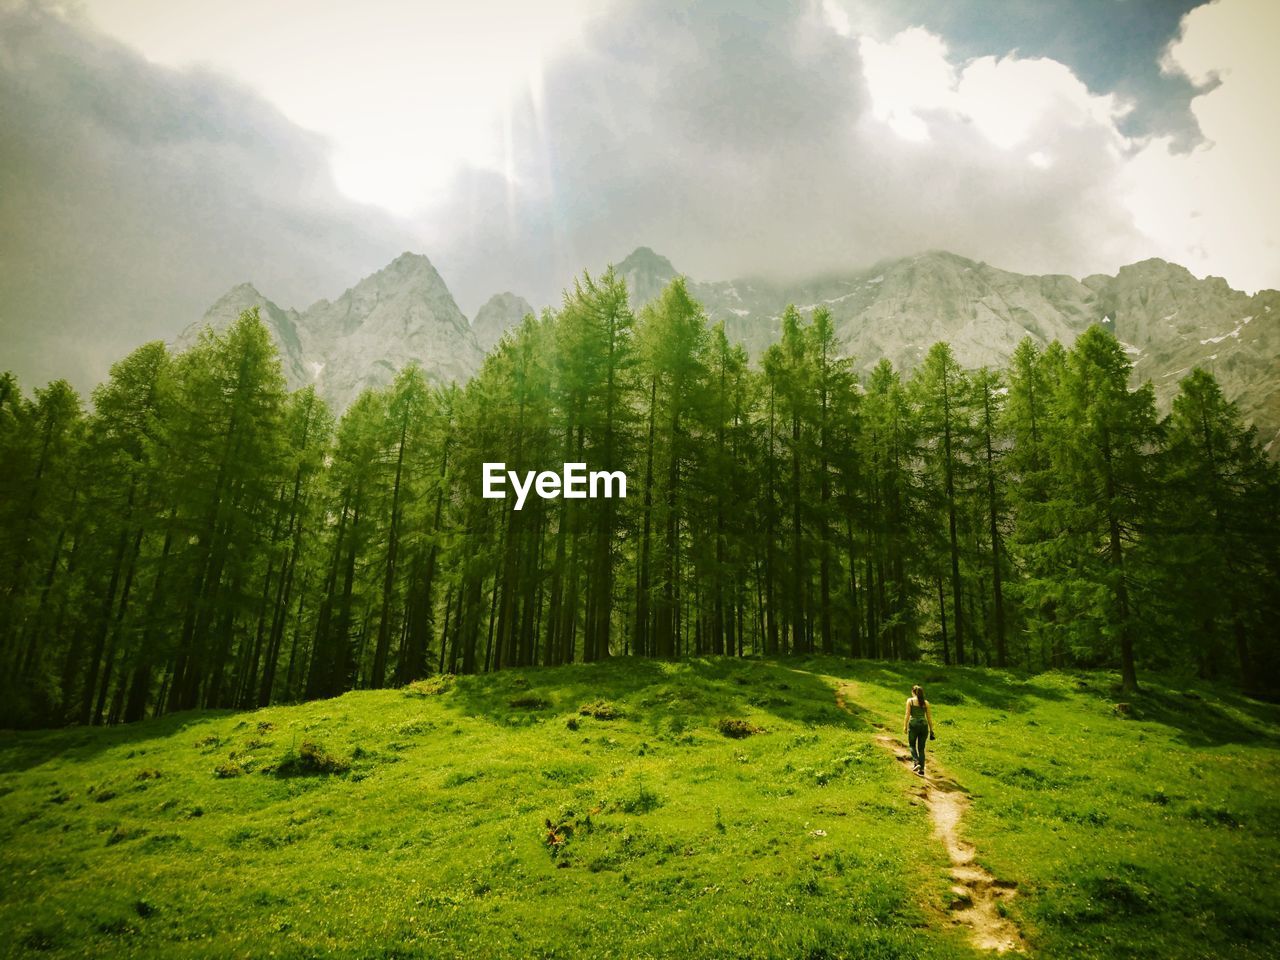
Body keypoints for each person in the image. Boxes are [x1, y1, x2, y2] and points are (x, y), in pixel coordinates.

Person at [902, 684, 935, 776]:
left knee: (912, 745)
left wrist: (905, 726)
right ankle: (922, 770)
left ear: (913, 692)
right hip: (924, 726)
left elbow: (907, 714)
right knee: (921, 748)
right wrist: (931, 730)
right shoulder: (926, 703)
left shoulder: (910, 701)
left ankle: (916, 763)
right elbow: (929, 718)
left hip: (913, 725)